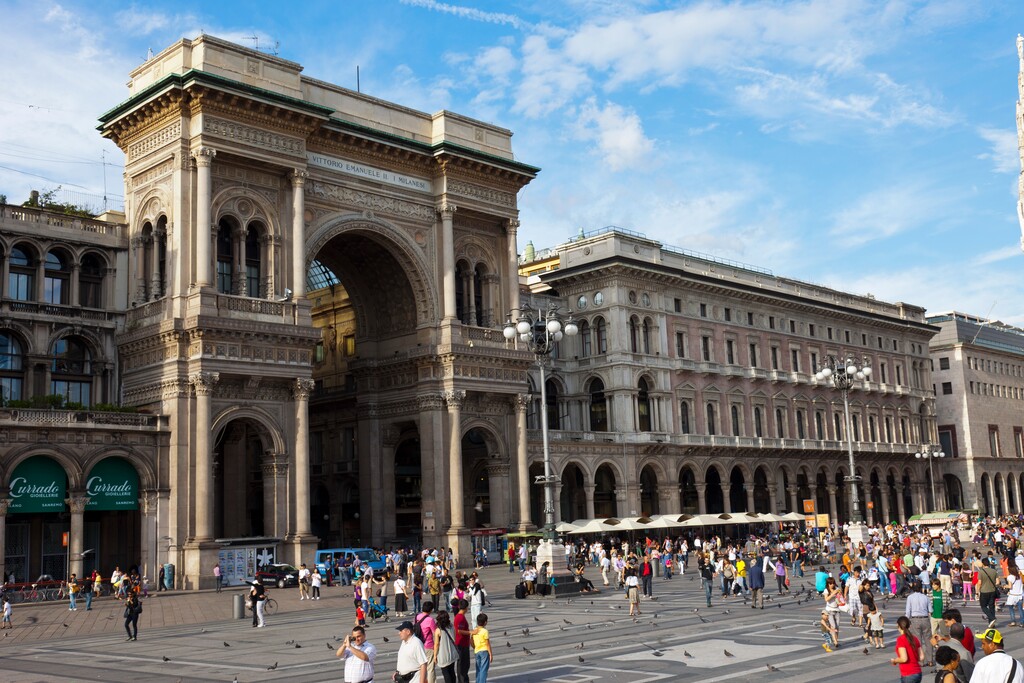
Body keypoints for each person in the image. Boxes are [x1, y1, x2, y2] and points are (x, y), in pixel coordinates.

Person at [891, 615, 924, 682]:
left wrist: (894, 660)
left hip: (908, 673)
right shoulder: (915, 638)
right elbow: (921, 657)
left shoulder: (901, 639)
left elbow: (904, 658)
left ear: (898, 626)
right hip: (918, 672)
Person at [433, 610, 459, 683]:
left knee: (446, 673)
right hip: (452, 652)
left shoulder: (438, 630)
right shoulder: (451, 626)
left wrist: (435, 655)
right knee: (452, 671)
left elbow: (436, 644)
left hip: (443, 654)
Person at [453, 599, 472, 683]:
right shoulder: (460, 617)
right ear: (466, 608)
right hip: (461, 644)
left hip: (463, 643)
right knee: (463, 665)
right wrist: (470, 632)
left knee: (465, 665)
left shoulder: (460, 616)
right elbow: (459, 631)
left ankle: (464, 680)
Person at [470, 613, 492, 683]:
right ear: (485, 622)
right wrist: (491, 654)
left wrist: (474, 647)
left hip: (477, 651)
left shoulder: (474, 630)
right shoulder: (485, 631)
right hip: (484, 651)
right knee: (484, 670)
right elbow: (487, 644)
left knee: (478, 669)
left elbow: (471, 641)